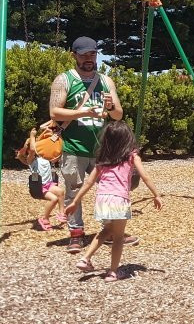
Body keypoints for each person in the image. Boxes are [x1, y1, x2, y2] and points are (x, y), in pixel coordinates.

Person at [49, 35, 139, 253]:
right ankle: (76, 233)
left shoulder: (106, 81)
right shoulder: (64, 80)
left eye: (92, 54)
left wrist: (110, 108)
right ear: (74, 56)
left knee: (110, 190)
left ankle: (108, 231)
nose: (89, 59)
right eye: (84, 55)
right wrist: (84, 111)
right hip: (74, 146)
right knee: (74, 190)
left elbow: (118, 115)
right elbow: (54, 112)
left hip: (103, 149)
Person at [66, 120, 162, 281]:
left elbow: (89, 182)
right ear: (127, 139)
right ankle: (113, 271)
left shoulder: (102, 159)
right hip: (119, 199)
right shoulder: (132, 156)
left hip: (102, 199)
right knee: (118, 238)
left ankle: (85, 258)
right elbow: (144, 176)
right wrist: (156, 195)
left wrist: (76, 201)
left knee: (106, 230)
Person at [14, 128, 67, 231]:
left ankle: (61, 213)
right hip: (38, 186)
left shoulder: (44, 157)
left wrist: (54, 137)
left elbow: (56, 156)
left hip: (48, 184)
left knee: (60, 192)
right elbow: (33, 150)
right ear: (29, 150)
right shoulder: (30, 160)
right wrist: (32, 136)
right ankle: (45, 219)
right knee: (54, 199)